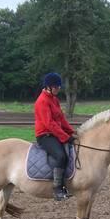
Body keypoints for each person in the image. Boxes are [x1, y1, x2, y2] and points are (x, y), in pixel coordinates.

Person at [34, 72, 77, 201]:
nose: (58, 89)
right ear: (48, 87)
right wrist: (65, 137)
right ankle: (57, 188)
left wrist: (71, 132)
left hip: (55, 133)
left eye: (59, 87)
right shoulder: (42, 101)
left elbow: (61, 119)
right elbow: (49, 124)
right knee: (60, 156)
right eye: (56, 87)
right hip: (45, 136)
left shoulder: (54, 99)